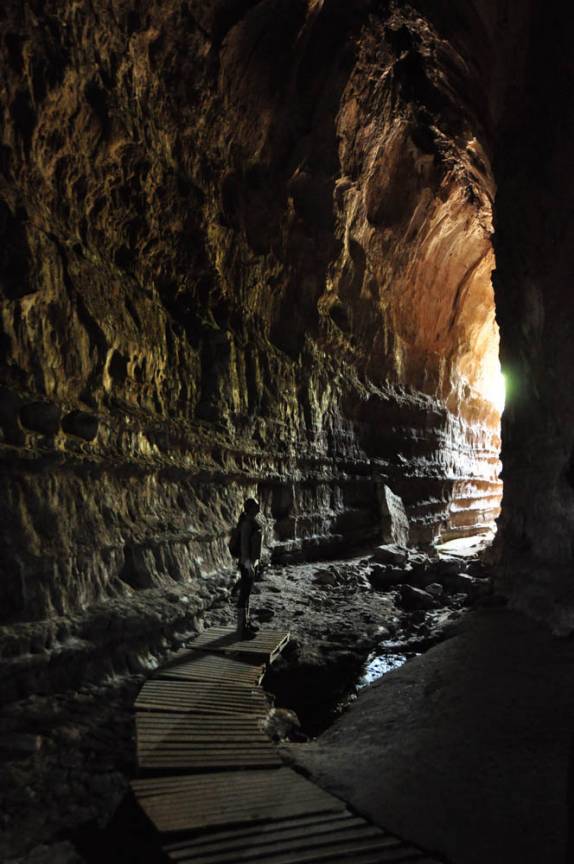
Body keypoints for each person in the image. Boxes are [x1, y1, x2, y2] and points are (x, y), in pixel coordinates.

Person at [236, 497, 262, 637]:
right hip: (247, 563)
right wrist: (248, 565)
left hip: (251, 563)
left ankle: (246, 623)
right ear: (250, 508)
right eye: (256, 506)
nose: (259, 508)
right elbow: (244, 546)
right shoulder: (247, 523)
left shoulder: (251, 521)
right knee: (244, 594)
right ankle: (241, 629)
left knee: (247, 594)